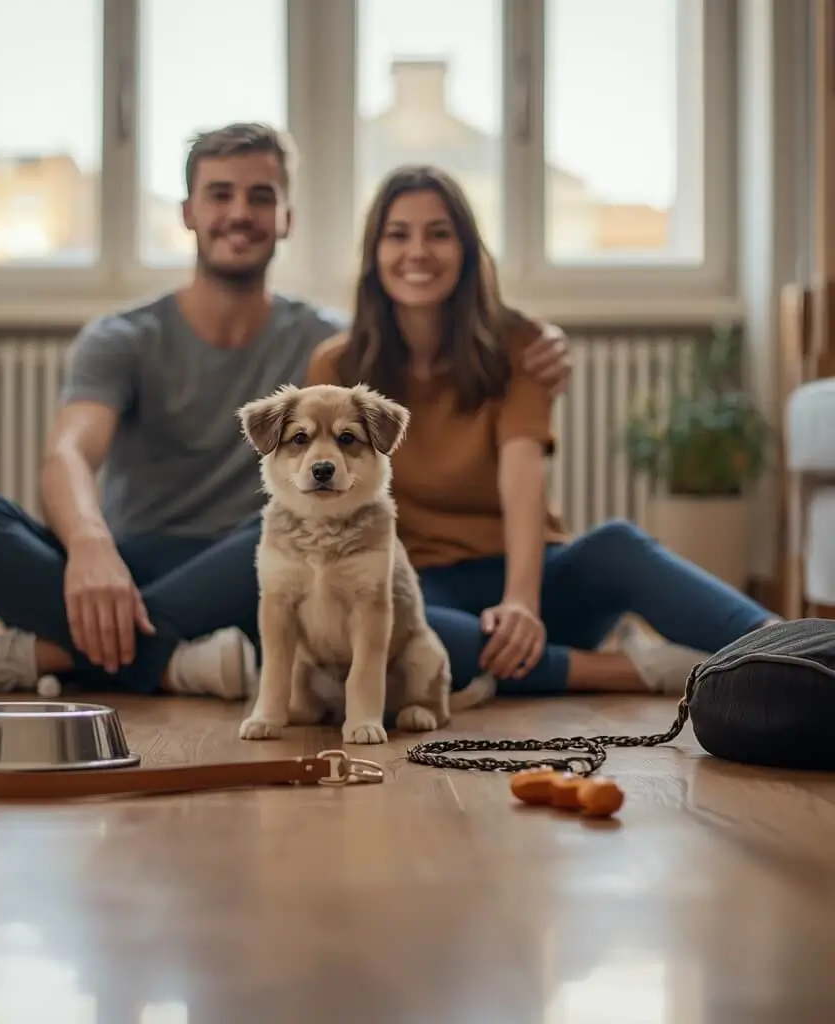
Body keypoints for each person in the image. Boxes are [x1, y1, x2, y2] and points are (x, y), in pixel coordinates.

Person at [0, 124, 573, 697]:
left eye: (261, 196)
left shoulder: (332, 347)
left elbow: (432, 351)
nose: (240, 213)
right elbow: (68, 452)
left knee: (315, 550)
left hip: (254, 575)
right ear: (188, 212)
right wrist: (91, 547)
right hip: (128, 563)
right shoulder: (124, 337)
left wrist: (540, 345)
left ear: (287, 218)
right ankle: (180, 664)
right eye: (220, 194)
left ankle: (36, 658)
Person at [303, 164, 781, 701]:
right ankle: (639, 671)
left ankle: (792, 651)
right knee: (389, 622)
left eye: (439, 233)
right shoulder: (337, 366)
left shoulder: (521, 344)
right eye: (398, 235)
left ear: (467, 251)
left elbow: (522, 475)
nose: (418, 252)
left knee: (617, 546)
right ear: (374, 253)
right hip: (418, 583)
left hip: (532, 578)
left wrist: (521, 602)